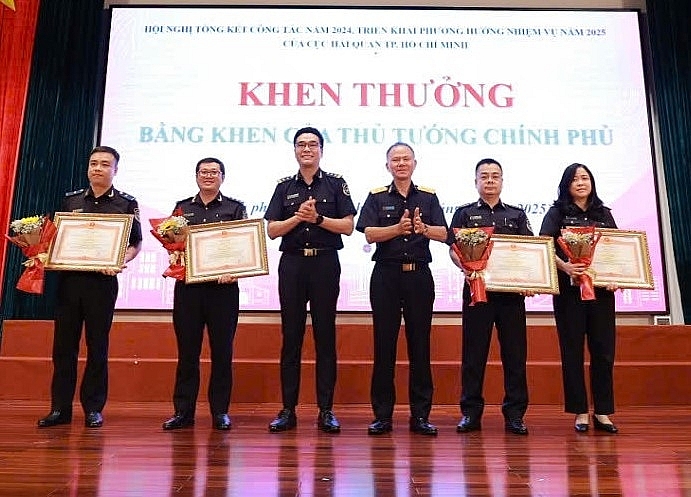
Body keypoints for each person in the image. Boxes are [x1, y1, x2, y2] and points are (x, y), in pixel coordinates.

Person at [37, 146, 142, 428]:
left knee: (98, 347)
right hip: (69, 282)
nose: (98, 168)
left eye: (105, 164)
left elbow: (135, 244)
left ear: (115, 170)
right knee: (63, 348)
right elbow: (53, 239)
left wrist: (121, 259)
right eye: (93, 163)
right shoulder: (70, 201)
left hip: (102, 283)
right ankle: (60, 409)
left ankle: (93, 408)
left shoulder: (126, 203)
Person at [264, 127, 356, 433]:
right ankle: (287, 410)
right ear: (294, 150)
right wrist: (298, 218)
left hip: (325, 265)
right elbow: (273, 230)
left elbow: (347, 227)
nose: (307, 149)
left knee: (324, 336)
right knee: (291, 338)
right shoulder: (283, 187)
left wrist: (317, 219)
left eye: (312, 144)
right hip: (292, 265)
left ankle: (326, 410)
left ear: (321, 150)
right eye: (301, 144)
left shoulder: (335, 185)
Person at [356, 142, 449, 436]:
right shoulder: (376, 197)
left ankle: (420, 416)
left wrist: (424, 230)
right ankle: (382, 415)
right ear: (388, 166)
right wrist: (397, 229)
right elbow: (369, 233)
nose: (400, 164)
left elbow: (445, 233)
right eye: (395, 160)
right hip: (386, 276)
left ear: (414, 163)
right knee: (384, 346)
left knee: (420, 346)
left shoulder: (429, 198)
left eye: (405, 159)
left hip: (419, 277)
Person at [161, 157, 247, 431]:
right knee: (188, 353)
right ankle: (183, 412)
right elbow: (173, 245)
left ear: (223, 176)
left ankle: (220, 411)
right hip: (189, 290)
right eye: (203, 172)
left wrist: (234, 270)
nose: (208, 176)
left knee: (223, 352)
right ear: (196, 176)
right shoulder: (182, 208)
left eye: (214, 172)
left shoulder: (235, 208)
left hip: (223, 290)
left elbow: (242, 247)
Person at [448, 158, 532, 435]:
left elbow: (531, 252)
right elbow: (453, 249)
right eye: (484, 176)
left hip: (510, 296)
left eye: (495, 176)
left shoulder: (517, 215)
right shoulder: (463, 214)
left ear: (502, 181)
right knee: (473, 354)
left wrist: (531, 279)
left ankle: (515, 414)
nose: (490, 180)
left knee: (515, 355)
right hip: (476, 291)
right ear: (476, 182)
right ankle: (471, 414)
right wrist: (466, 267)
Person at [539, 163, 619, 434]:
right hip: (570, 293)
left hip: (601, 293)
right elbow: (544, 246)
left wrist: (617, 275)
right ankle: (581, 411)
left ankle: (604, 412)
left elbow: (616, 249)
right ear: (566, 185)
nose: (581, 183)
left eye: (585, 178)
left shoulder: (604, 214)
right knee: (572, 352)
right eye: (575, 179)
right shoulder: (557, 213)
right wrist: (566, 267)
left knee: (604, 352)